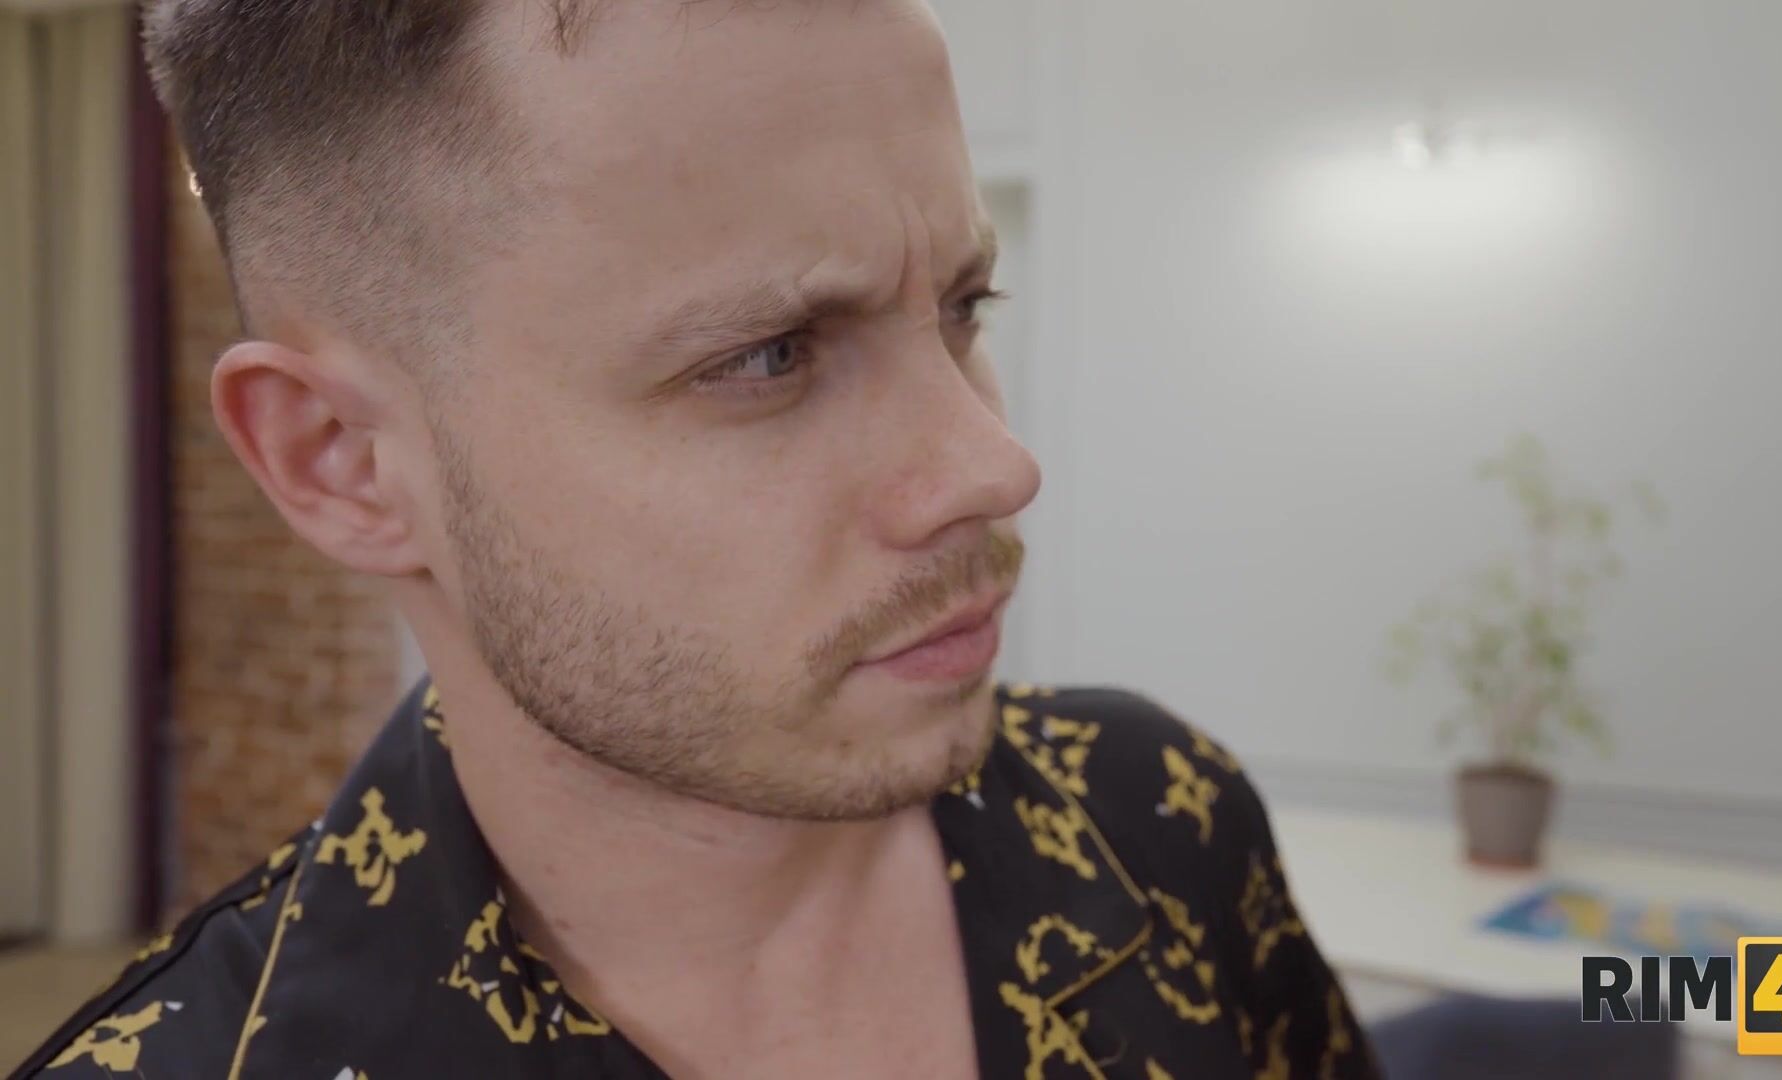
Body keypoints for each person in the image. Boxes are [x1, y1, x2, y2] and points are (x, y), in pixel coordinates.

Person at [14, 2, 1379, 1077]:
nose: (993, 467)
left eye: (964, 307)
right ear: (343, 462)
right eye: (768, 355)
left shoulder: (1158, 816)